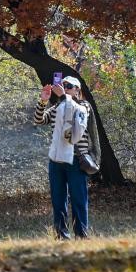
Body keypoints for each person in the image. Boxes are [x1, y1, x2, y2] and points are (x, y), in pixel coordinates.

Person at [34, 76, 97, 239]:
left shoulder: (83, 105)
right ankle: (61, 235)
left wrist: (63, 96)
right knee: (58, 199)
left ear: (77, 90)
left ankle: (81, 235)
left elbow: (77, 115)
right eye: (63, 85)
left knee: (78, 199)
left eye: (69, 86)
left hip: (76, 160)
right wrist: (43, 100)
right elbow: (39, 120)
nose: (65, 88)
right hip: (56, 160)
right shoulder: (58, 106)